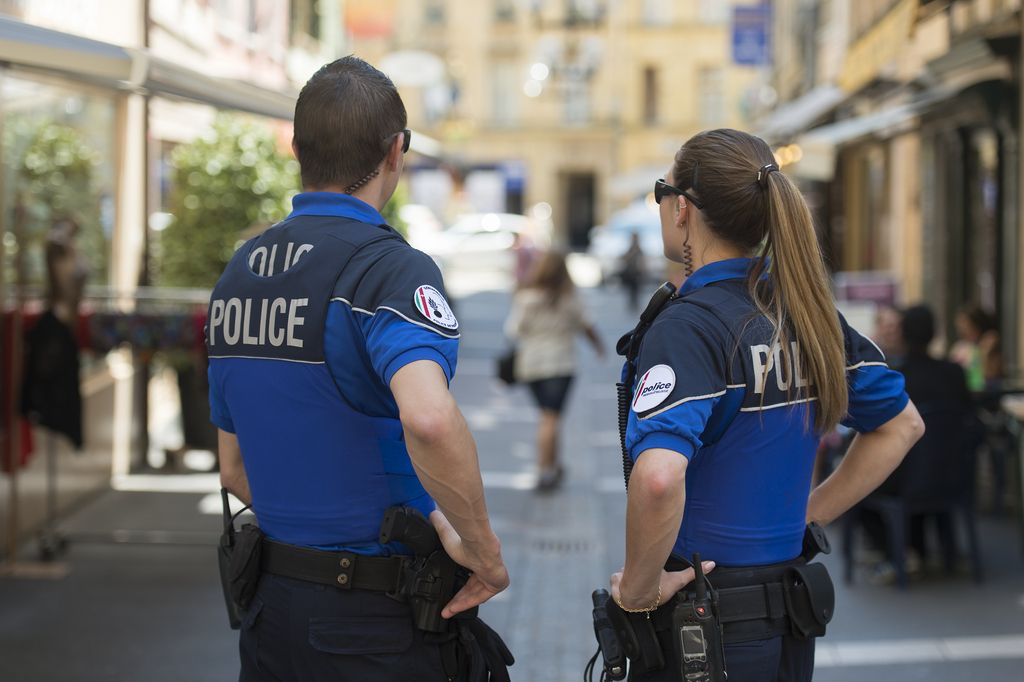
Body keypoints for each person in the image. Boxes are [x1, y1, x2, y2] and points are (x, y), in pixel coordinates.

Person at [207, 57, 510, 682]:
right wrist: (482, 550)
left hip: (271, 613)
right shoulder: (389, 270)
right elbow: (428, 416)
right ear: (396, 151)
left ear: (297, 149)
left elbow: (234, 469)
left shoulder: (239, 274)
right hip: (374, 622)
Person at [607, 129, 924, 681]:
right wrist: (809, 513)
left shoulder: (690, 327)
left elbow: (659, 479)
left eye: (662, 191)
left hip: (703, 628)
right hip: (788, 620)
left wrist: (636, 590)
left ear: (682, 208)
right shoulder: (809, 313)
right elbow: (903, 425)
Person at [504, 250, 603, 491]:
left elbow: (513, 331)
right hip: (560, 364)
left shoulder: (526, 297)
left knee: (549, 417)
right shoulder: (570, 297)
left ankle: (554, 465)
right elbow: (586, 325)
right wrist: (599, 347)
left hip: (531, 365)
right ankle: (543, 470)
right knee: (550, 418)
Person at [619, 231, 647, 312]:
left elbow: (642, 261)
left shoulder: (638, 249)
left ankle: (635, 305)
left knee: (636, 290)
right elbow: (625, 258)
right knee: (631, 290)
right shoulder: (631, 248)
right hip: (631, 273)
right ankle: (632, 305)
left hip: (637, 274)